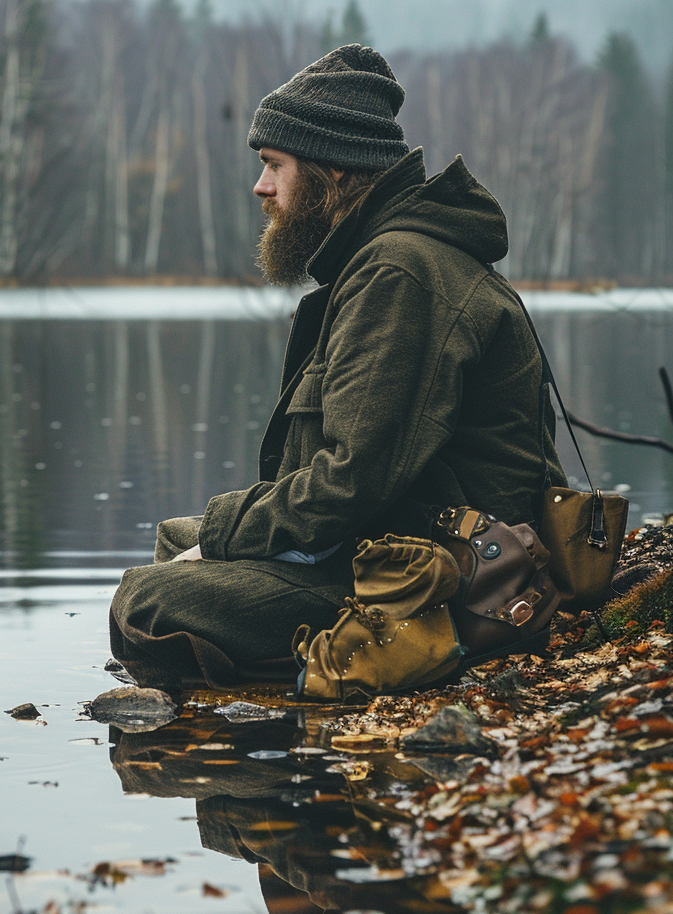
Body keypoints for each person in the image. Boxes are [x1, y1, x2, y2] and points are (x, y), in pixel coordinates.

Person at [109, 44, 566, 690]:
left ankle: (324, 678)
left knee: (147, 599)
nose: (261, 187)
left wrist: (221, 534)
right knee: (172, 542)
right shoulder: (386, 259)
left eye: (274, 165)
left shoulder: (399, 273)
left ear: (334, 171)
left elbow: (351, 483)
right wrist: (217, 536)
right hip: (391, 542)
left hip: (440, 580)